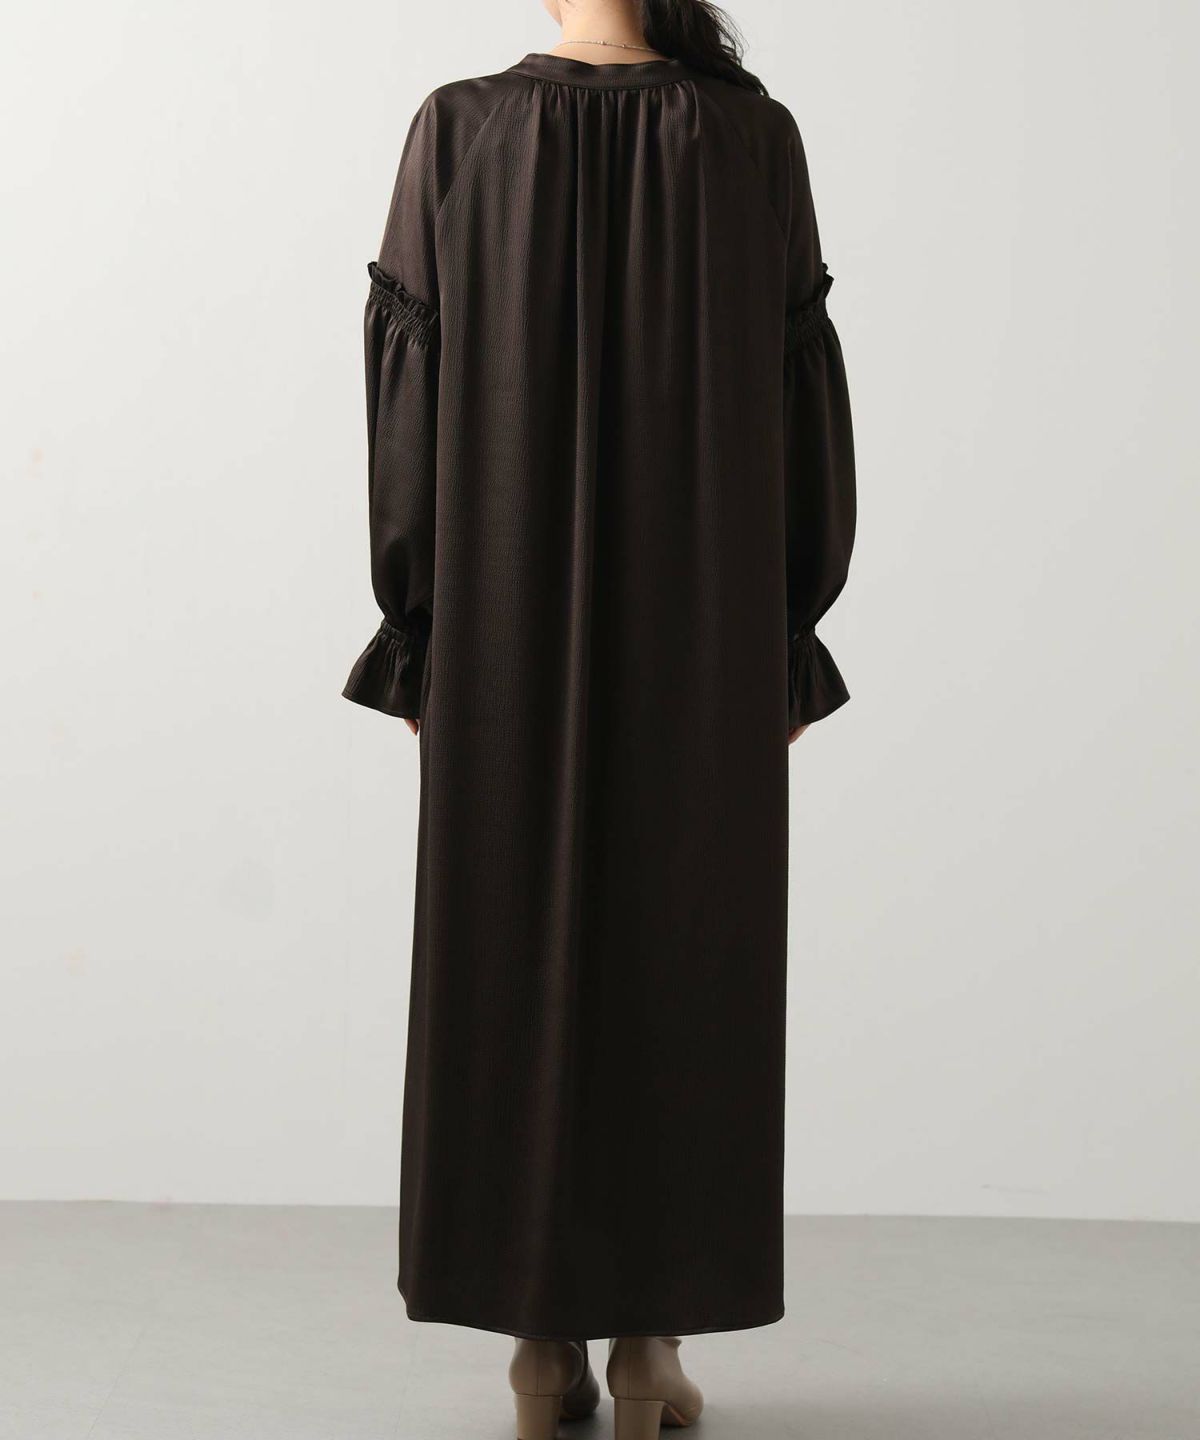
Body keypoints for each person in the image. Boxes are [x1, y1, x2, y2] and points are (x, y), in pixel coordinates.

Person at [341, 0, 856, 1434]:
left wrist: (419, 626)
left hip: (502, 628)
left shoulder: (460, 130)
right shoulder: (750, 137)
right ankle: (646, 1350)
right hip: (707, 633)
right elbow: (800, 388)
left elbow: (409, 390)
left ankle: (538, 1348)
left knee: (512, 959)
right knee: (682, 963)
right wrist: (788, 633)